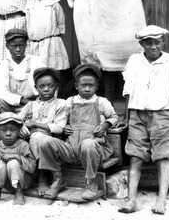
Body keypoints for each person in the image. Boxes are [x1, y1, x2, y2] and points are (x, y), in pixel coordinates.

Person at [117, 25, 169, 215]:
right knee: (135, 156)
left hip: (163, 115)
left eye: (157, 42)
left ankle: (161, 200)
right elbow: (128, 90)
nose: (153, 47)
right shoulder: (134, 61)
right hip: (138, 114)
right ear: (142, 44)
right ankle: (131, 200)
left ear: (162, 42)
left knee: (162, 157)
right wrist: (127, 116)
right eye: (148, 43)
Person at [34, 64, 118, 201]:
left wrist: (104, 126)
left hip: (94, 149)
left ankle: (91, 182)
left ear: (97, 86)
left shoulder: (101, 102)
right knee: (44, 141)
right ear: (76, 86)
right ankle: (58, 178)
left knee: (87, 144)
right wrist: (66, 126)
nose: (87, 89)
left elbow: (114, 117)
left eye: (91, 85)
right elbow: (60, 121)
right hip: (72, 148)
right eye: (83, 85)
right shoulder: (70, 102)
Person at [0, 28, 45, 151]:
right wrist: (22, 100)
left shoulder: (36, 61)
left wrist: (32, 103)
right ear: (7, 46)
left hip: (33, 108)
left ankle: (8, 140)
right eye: (14, 46)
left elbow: (45, 85)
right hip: (11, 108)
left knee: (22, 137)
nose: (18, 49)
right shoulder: (4, 65)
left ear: (26, 45)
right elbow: (2, 92)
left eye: (21, 45)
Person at [17, 67, 67, 195]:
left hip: (51, 140)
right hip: (32, 137)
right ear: (36, 88)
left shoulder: (61, 103)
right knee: (8, 132)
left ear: (56, 87)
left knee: (37, 138)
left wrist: (34, 124)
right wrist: (22, 127)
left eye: (50, 86)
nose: (46, 89)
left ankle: (42, 177)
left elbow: (59, 127)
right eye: (42, 86)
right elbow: (17, 120)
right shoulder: (31, 104)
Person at [0, 112, 37, 205]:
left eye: (13, 130)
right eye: (3, 130)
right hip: (5, 184)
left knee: (13, 163)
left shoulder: (23, 145)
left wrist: (17, 157)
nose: (8, 133)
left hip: (23, 182)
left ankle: (19, 193)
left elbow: (32, 167)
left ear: (19, 130)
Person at [25, 0, 70, 71]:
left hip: (51, 44)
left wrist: (51, 39)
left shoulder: (54, 4)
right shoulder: (29, 6)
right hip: (34, 44)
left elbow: (61, 24)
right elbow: (27, 26)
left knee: (52, 69)